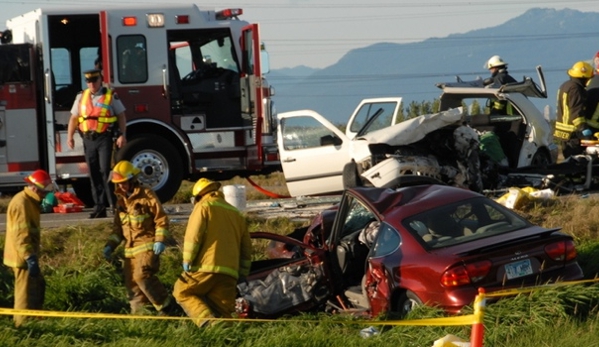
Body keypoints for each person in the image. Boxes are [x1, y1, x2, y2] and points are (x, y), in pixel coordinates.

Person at [173, 178, 251, 327]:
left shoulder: (203, 206)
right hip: (230, 273)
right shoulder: (236, 213)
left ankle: (208, 323)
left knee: (181, 291)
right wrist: (243, 272)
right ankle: (226, 338)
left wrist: (187, 259)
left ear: (198, 196)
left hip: (206, 267)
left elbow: (194, 235)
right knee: (223, 312)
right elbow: (246, 247)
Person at [102, 160, 173, 315]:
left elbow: (161, 220)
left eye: (124, 183)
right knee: (132, 286)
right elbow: (118, 230)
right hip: (129, 252)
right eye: (118, 184)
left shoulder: (146, 195)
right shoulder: (121, 202)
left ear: (132, 179)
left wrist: (160, 241)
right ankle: (142, 318)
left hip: (147, 245)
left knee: (142, 276)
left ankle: (166, 308)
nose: (121, 187)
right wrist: (110, 246)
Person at [67, 69, 127, 219]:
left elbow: (121, 116)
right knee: (93, 173)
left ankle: (114, 205)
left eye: (94, 81)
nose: (91, 84)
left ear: (100, 80)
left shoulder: (110, 95)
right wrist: (70, 137)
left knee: (105, 171)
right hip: (88, 139)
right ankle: (99, 207)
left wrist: (122, 135)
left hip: (104, 138)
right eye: (88, 81)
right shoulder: (81, 96)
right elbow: (74, 118)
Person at [3, 169, 54, 327]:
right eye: (43, 191)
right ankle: (22, 326)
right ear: (35, 188)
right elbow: (21, 235)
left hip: (27, 254)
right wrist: (29, 257)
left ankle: (34, 320)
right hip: (22, 257)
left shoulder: (30, 201)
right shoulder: (22, 203)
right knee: (23, 295)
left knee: (37, 287)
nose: (45, 195)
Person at [554, 61, 595, 158]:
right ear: (583, 78)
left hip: (563, 134)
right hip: (572, 135)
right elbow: (576, 113)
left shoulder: (565, 85)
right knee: (577, 163)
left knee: (569, 162)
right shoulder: (575, 89)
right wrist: (584, 130)